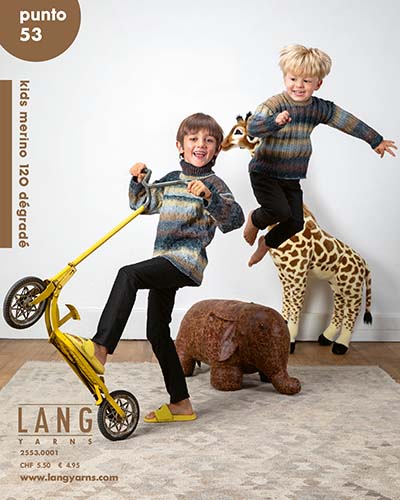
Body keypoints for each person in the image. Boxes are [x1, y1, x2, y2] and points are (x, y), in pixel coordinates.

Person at [67, 113, 244, 423]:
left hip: (185, 261)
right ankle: (181, 403)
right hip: (165, 258)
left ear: (217, 149)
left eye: (208, 141)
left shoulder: (215, 185)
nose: (200, 145)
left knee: (129, 274)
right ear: (180, 145)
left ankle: (100, 348)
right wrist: (138, 180)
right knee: (157, 331)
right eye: (193, 139)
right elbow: (143, 203)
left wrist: (209, 197)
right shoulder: (173, 179)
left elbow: (235, 219)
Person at [244, 44, 397, 267]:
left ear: (318, 84)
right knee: (278, 210)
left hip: (291, 176)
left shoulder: (319, 108)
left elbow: (347, 121)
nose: (299, 85)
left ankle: (266, 243)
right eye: (293, 79)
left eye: (306, 81)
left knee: (296, 223)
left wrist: (375, 140)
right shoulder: (274, 104)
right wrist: (273, 122)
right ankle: (255, 219)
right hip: (265, 172)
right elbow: (252, 127)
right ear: (285, 78)